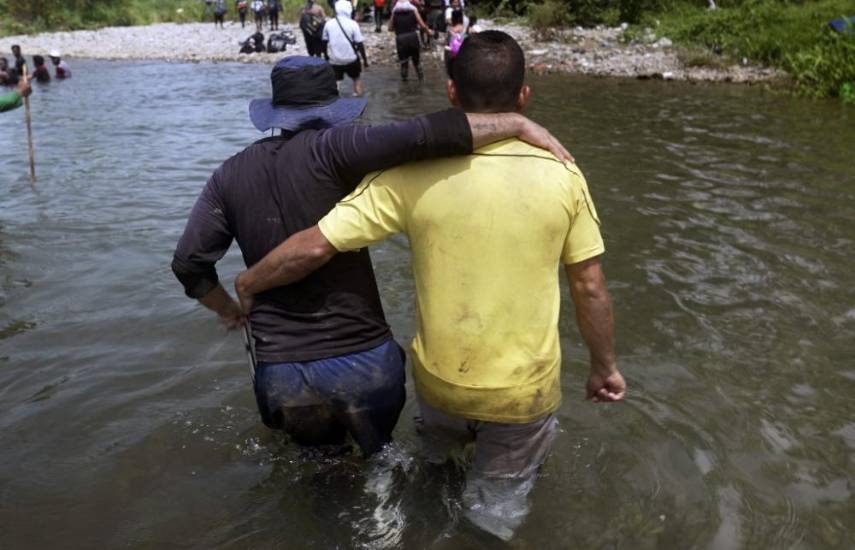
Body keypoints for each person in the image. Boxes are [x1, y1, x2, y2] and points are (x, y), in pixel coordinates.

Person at [234, 31, 625, 540]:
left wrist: (248, 281)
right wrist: (604, 368)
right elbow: (589, 287)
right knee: (494, 509)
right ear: (524, 95)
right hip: (521, 394)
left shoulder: (410, 175)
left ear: (450, 92)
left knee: (429, 475)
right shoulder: (563, 175)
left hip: (439, 385)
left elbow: (315, 245)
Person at [172, 55, 571, 458]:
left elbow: (188, 264)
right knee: (381, 460)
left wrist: (229, 308)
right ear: (331, 108)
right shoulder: (338, 147)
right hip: (363, 366)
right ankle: (389, 516)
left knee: (318, 469)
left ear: (276, 111)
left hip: (283, 373)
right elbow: (430, 133)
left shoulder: (228, 175)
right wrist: (517, 123)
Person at [323, 0, 368, 96]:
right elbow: (360, 44)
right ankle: (359, 99)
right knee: (356, 78)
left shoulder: (328, 24)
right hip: (351, 59)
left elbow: (324, 42)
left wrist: (326, 57)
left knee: (336, 82)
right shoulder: (353, 24)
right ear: (349, 10)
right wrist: (365, 61)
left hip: (335, 60)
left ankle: (335, 104)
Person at [389, 0, 429, 81]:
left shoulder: (395, 13)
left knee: (404, 63)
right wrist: (429, 32)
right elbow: (422, 26)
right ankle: (421, 80)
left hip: (400, 39)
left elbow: (390, 28)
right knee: (416, 62)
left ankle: (404, 85)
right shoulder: (413, 11)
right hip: (412, 38)